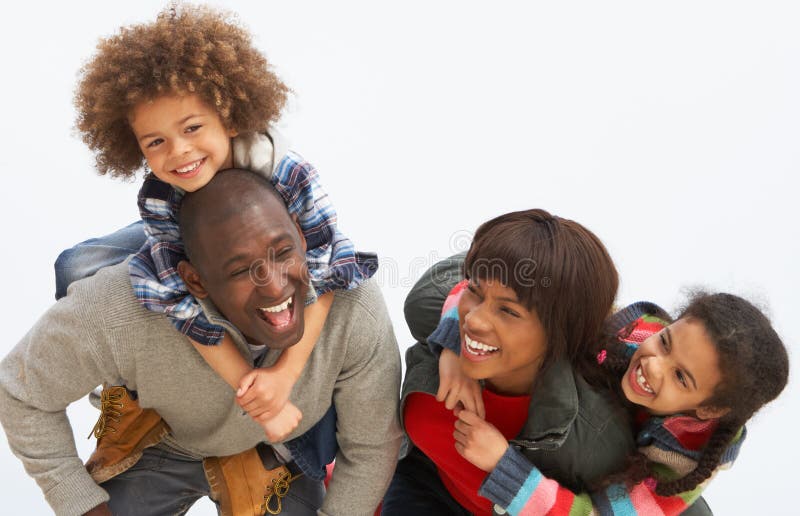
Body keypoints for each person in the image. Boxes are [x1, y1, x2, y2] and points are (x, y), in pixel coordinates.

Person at [58, 4, 377, 440]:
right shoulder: (159, 199)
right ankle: (122, 392)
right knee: (75, 265)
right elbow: (178, 301)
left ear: (226, 116)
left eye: (192, 128)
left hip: (263, 250)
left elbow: (327, 268)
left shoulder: (285, 172)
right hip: (194, 241)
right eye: (156, 142)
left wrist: (282, 377)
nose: (179, 152)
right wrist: (248, 387)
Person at [0, 170, 402, 516]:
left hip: (280, 450)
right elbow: (20, 393)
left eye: (283, 251)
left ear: (301, 234)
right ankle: (128, 401)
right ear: (194, 280)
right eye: (242, 270)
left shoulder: (353, 302)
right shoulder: (119, 308)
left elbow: (371, 445)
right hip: (166, 435)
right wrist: (81, 505)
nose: (275, 284)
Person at [415, 278, 789, 514]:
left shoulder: (686, 463)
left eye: (680, 377)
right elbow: (474, 287)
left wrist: (503, 464)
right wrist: (453, 352)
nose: (654, 365)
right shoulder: (631, 332)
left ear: (708, 408)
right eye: (666, 342)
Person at [382, 209, 635, 515]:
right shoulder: (433, 319)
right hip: (424, 484)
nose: (474, 321)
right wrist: (449, 345)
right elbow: (456, 282)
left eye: (508, 312)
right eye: (474, 292)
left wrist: (508, 469)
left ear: (561, 335)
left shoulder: (594, 437)